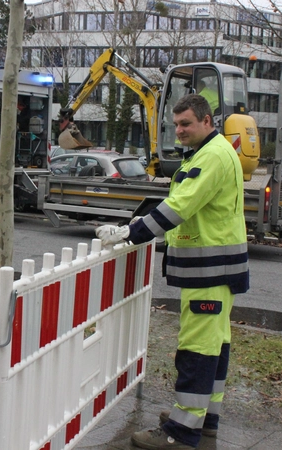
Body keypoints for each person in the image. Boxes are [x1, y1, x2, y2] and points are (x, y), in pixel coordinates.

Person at [96, 94, 248, 449]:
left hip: (209, 273)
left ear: (207, 121)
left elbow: (181, 204)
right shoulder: (212, 151)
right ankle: (203, 420)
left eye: (186, 124)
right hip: (217, 271)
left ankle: (181, 433)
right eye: (176, 125)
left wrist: (130, 232)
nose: (178, 130)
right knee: (214, 347)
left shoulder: (211, 156)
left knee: (196, 350)